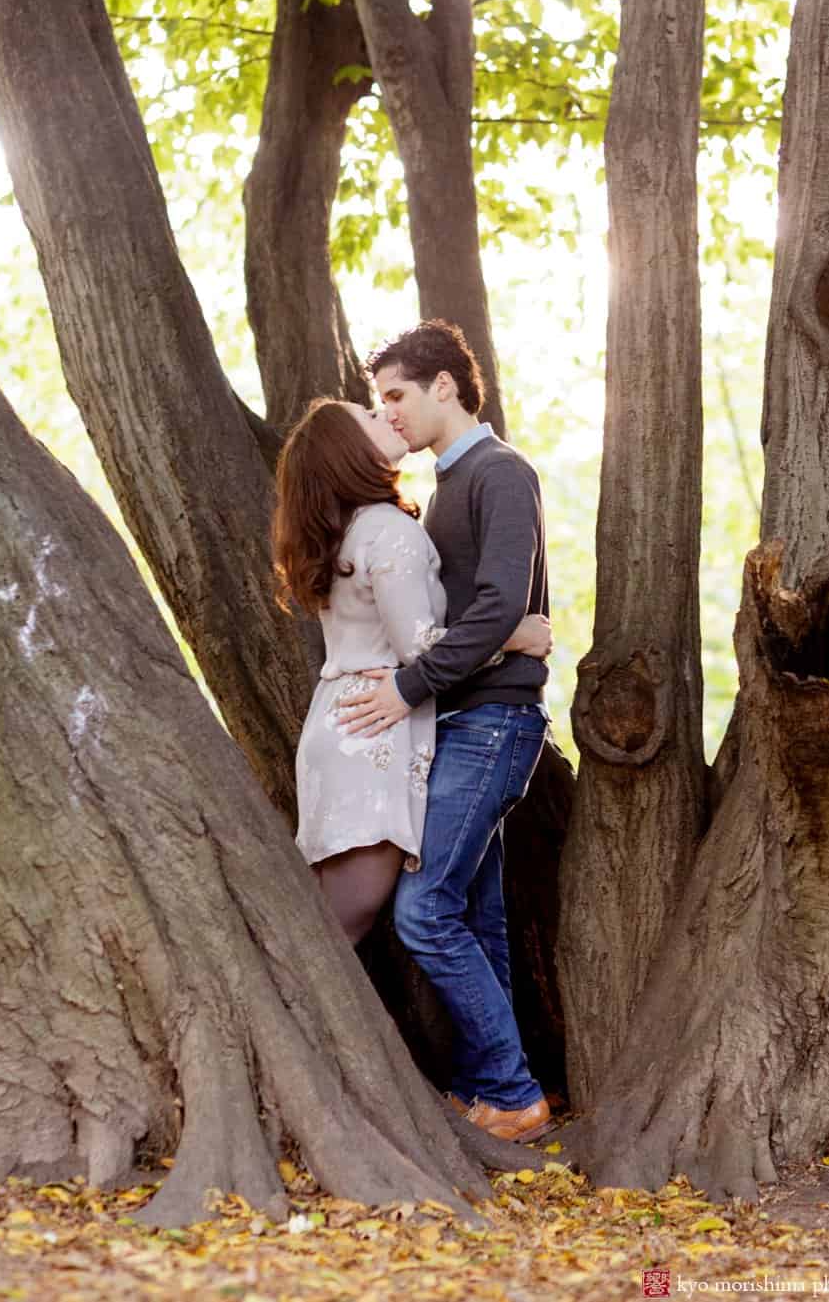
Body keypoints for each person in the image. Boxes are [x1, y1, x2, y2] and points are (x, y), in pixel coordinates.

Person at [339, 321, 552, 1142]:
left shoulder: (498, 473)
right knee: (473, 913)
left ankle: (515, 1090)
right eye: (378, 400)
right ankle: (485, 1088)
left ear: (445, 387)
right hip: (460, 718)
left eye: (395, 394)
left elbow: (496, 603)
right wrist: (506, 633)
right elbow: (474, 617)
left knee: (423, 911)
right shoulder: (441, 492)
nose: (387, 413)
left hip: (492, 721)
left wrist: (409, 685)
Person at [272, 397, 548, 949]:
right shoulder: (387, 529)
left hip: (339, 724)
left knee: (329, 921)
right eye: (372, 417)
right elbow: (419, 645)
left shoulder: (347, 531)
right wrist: (515, 636)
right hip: (372, 731)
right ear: (349, 451)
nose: (388, 416)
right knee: (342, 933)